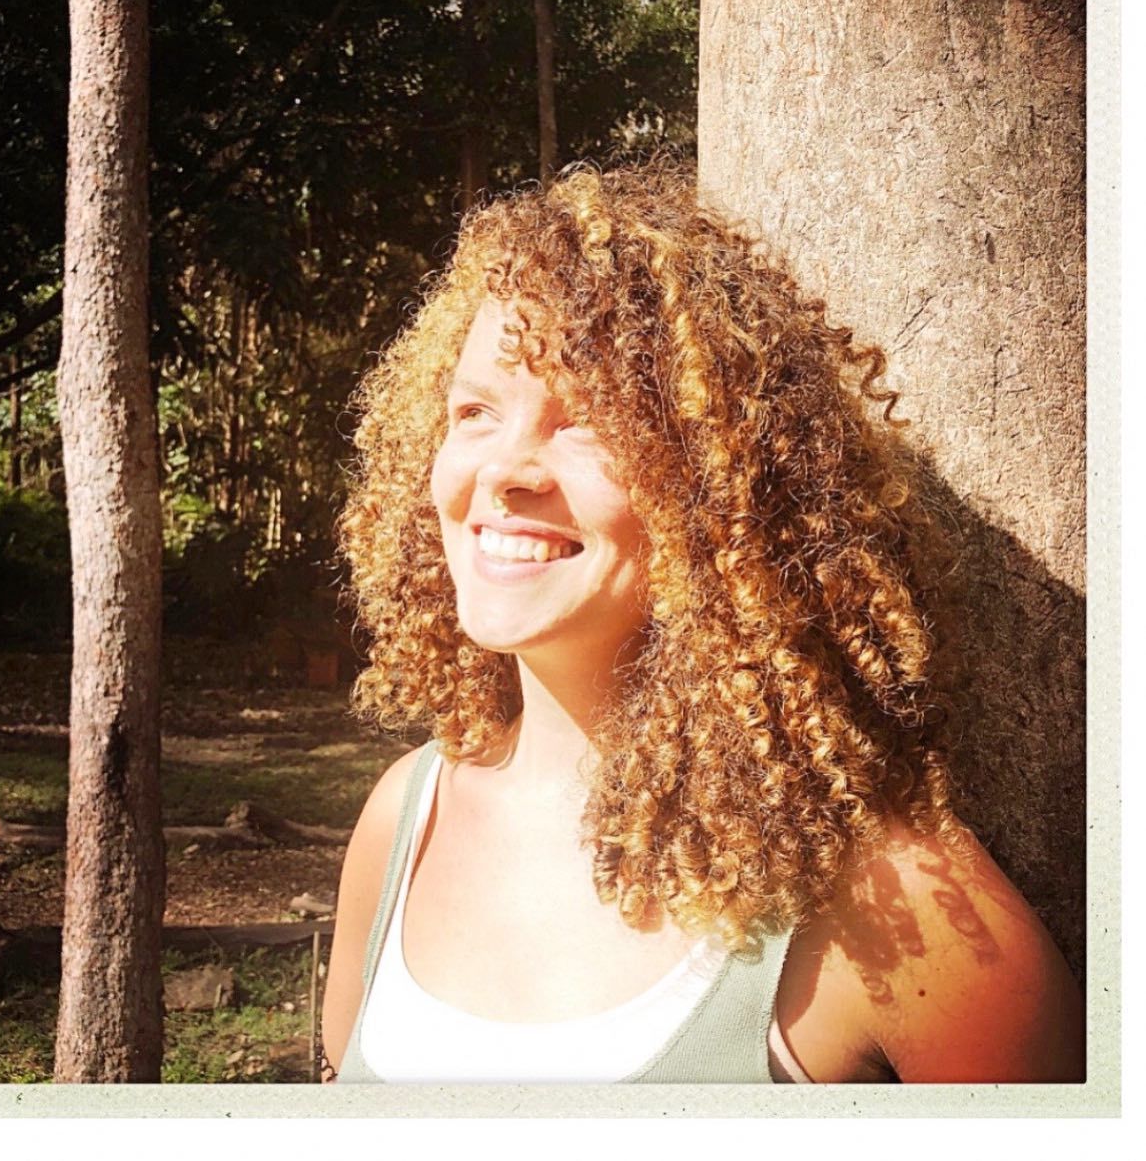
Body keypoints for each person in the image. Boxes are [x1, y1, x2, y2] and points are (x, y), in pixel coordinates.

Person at [321, 160, 1084, 1084]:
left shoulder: (903, 911)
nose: (506, 471)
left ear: (723, 491)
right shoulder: (405, 817)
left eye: (592, 421)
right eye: (476, 411)